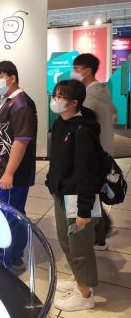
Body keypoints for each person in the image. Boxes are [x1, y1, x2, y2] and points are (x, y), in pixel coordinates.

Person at [46, 80, 101, 312]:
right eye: (55, 95)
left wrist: (84, 209)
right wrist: (51, 183)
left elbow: (87, 173)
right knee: (66, 241)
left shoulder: (83, 130)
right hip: (62, 195)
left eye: (60, 97)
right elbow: (58, 159)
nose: (55, 100)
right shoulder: (60, 122)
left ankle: (85, 295)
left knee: (80, 247)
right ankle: (80, 280)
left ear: (73, 103)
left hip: (78, 199)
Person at [0, 61, 37, 271]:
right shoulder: (5, 101)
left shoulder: (21, 104)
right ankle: (15, 257)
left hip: (9, 173)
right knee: (15, 215)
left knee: (4, 218)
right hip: (0, 168)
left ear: (12, 78)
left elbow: (21, 141)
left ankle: (1, 266)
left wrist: (8, 173)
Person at [72, 53, 117, 250]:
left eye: (77, 69)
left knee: (89, 194)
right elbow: (114, 116)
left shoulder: (89, 98)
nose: (74, 73)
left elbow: (84, 129)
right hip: (105, 149)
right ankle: (102, 230)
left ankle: (99, 237)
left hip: (92, 153)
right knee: (94, 192)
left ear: (88, 71)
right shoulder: (103, 91)